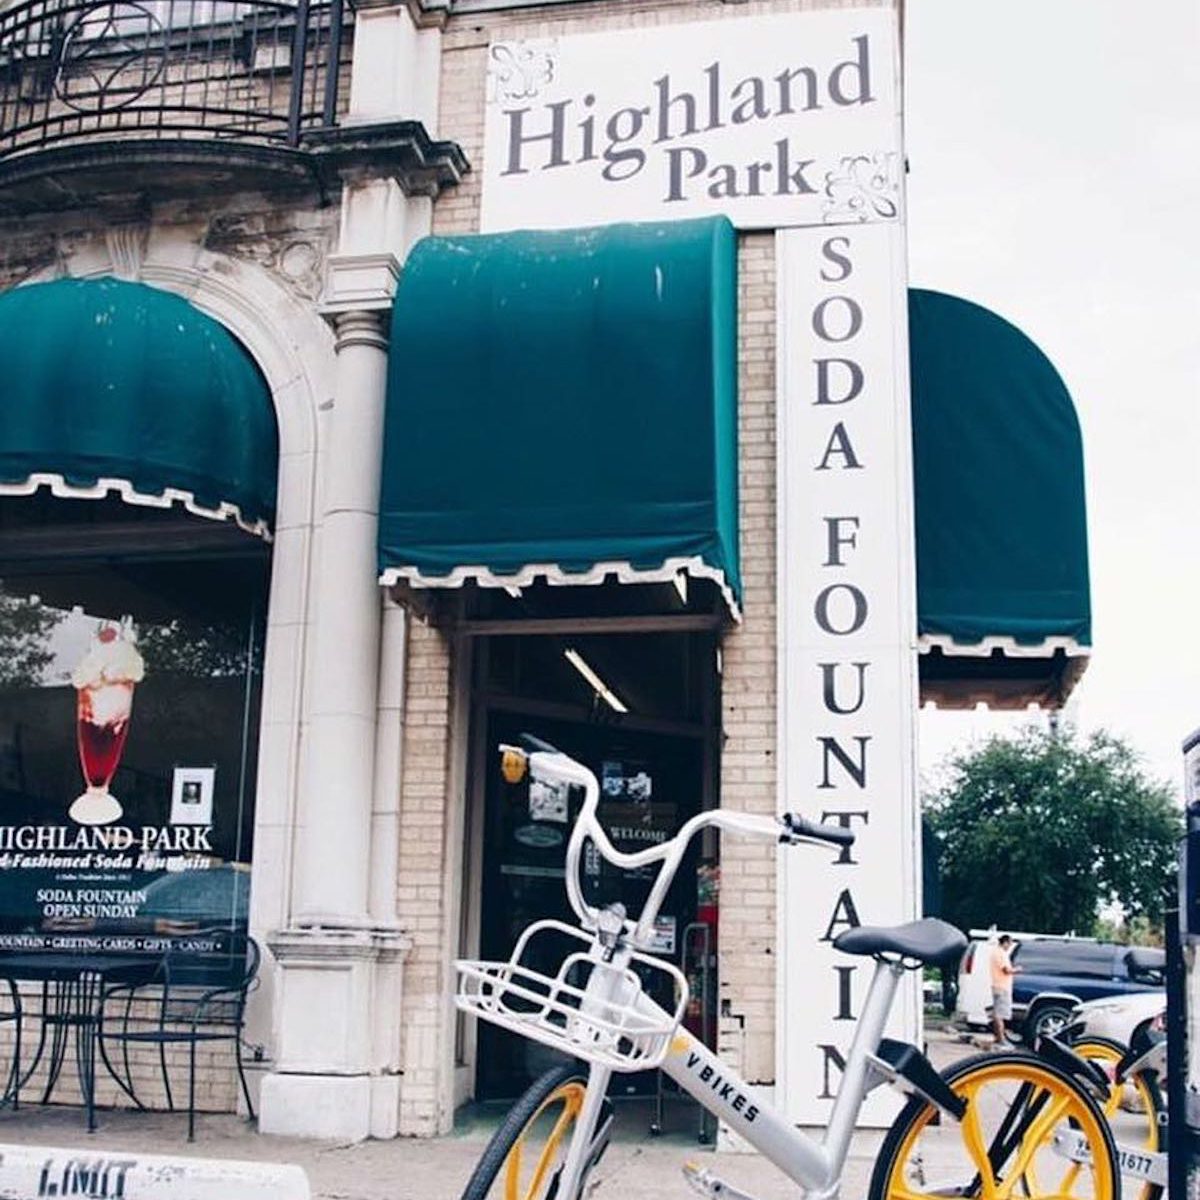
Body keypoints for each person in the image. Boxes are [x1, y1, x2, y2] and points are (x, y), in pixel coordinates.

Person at [990, 934, 1021, 1045]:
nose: (1010, 946)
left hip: (997, 986)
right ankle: (1001, 1039)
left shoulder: (995, 953)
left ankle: (997, 1037)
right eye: (1010, 943)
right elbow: (1006, 970)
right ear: (1005, 942)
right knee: (1000, 1015)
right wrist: (1017, 970)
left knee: (997, 1014)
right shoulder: (1001, 954)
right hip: (1002, 987)